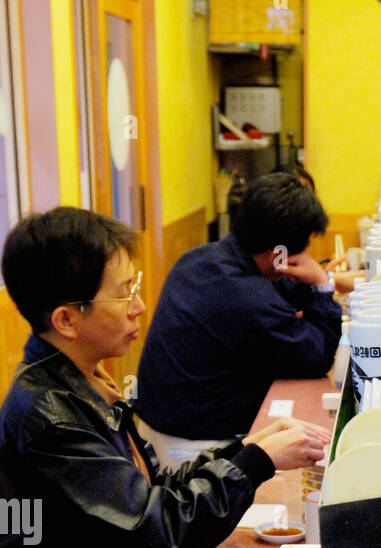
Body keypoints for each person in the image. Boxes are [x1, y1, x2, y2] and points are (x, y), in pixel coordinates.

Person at [0, 206, 328, 548]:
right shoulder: (49, 414)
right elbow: (158, 528)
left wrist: (247, 449)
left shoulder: (79, 378)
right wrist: (254, 464)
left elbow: (148, 490)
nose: (140, 306)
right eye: (123, 293)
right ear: (67, 319)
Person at [134, 173, 343, 457]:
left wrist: (312, 281)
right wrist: (322, 284)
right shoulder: (244, 296)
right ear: (277, 256)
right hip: (193, 445)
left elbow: (275, 298)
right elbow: (316, 357)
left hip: (160, 427)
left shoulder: (201, 259)